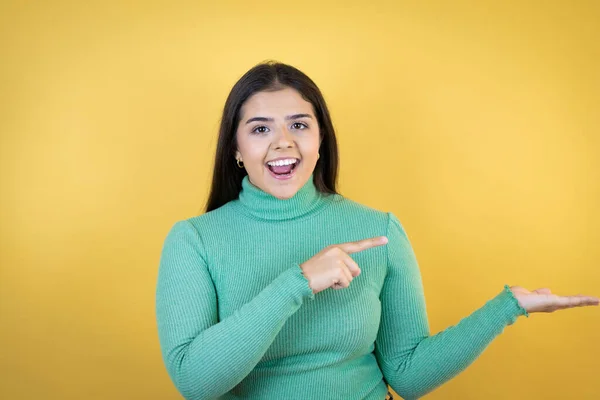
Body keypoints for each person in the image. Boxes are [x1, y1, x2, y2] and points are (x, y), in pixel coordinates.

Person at [154, 61, 599, 400]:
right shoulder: (195, 240)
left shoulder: (377, 230)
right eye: (260, 128)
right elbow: (196, 382)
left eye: (299, 125)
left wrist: (508, 307)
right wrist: (298, 283)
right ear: (235, 147)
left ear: (321, 137)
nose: (282, 142)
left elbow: (407, 373)